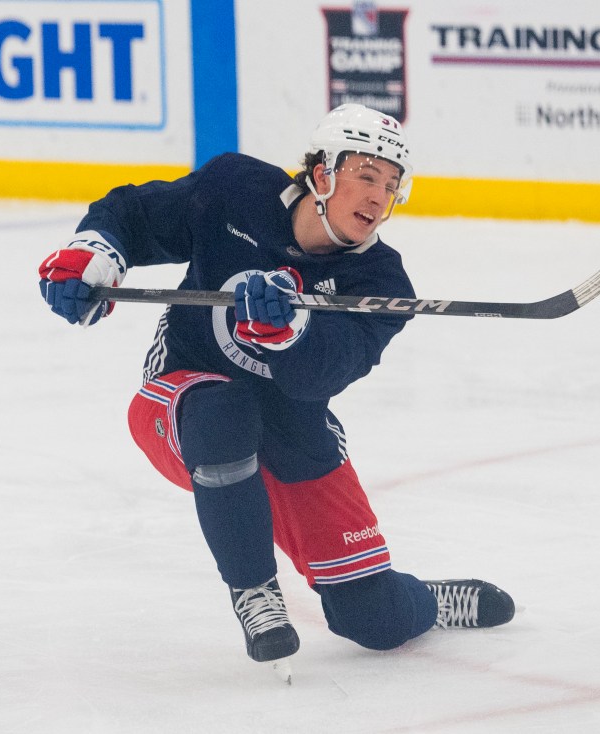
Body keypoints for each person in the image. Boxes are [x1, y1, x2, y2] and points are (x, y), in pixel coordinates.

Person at [37, 104, 515, 677]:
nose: (377, 198)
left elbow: (329, 372)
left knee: (374, 620)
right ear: (322, 175)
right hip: (183, 400)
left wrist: (290, 332)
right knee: (223, 408)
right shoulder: (235, 189)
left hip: (294, 426)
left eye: (391, 187)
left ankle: (427, 601)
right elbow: (139, 215)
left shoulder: (381, 282)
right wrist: (96, 255)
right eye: (366, 176)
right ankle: (255, 593)